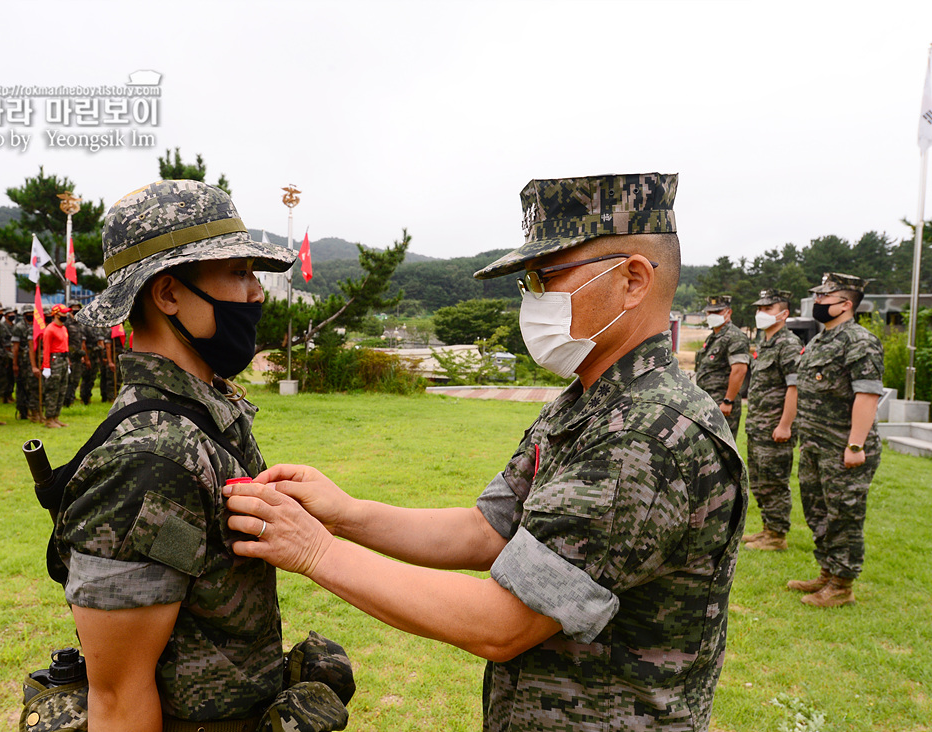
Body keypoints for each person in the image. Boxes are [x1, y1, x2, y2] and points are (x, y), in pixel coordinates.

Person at [226, 173, 748, 732]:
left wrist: (315, 552)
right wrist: (346, 512)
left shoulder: (648, 435)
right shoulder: (589, 401)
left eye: (546, 278)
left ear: (633, 280)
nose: (533, 299)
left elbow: (503, 624)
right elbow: (488, 531)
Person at [58, 180, 349, 732]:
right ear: (168, 295)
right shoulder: (150, 458)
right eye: (238, 273)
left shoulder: (203, 415)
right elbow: (119, 697)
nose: (257, 293)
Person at [787, 272, 883, 608]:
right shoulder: (819, 341)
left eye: (824, 298)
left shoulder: (860, 341)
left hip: (844, 447)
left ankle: (842, 585)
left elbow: (868, 396)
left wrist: (856, 445)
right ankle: (827, 572)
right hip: (815, 444)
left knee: (844, 515)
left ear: (845, 304)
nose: (817, 303)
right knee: (818, 511)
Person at [742, 288, 802, 551]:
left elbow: (794, 387)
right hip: (759, 427)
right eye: (759, 309)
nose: (760, 314)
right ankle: (768, 529)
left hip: (776, 428)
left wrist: (785, 424)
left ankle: (777, 536)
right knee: (760, 480)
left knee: (774, 481)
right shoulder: (766, 343)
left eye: (767, 309)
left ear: (784, 313)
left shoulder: (788, 344)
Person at [695, 294, 750, 438]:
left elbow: (739, 370)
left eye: (717, 312)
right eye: (710, 312)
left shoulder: (735, 336)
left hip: (722, 405)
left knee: (722, 446)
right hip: (707, 402)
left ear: (728, 312)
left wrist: (728, 400)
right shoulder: (713, 337)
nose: (712, 315)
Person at [40, 303, 71, 428]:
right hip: (55, 361)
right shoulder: (49, 330)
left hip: (63, 360)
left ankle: (56, 417)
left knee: (62, 390)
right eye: (63, 313)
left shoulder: (64, 328)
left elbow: (66, 346)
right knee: (53, 390)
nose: (65, 315)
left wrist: (68, 363)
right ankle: (49, 418)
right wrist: (46, 366)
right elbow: (46, 349)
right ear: (56, 314)